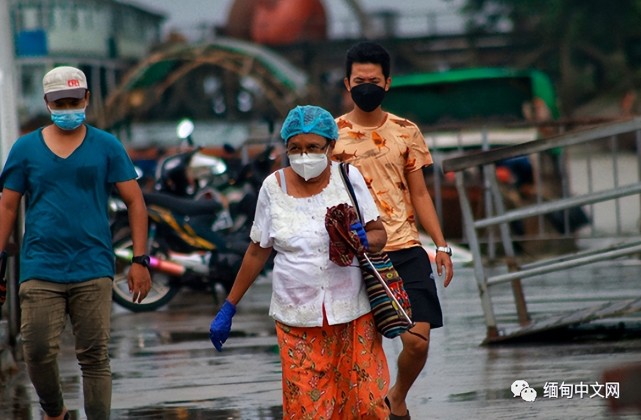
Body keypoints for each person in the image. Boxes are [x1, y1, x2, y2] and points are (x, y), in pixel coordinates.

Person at [209, 105, 390, 418]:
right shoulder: (272, 187)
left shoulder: (348, 178)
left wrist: (363, 239)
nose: (304, 155)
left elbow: (379, 235)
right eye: (295, 148)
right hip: (296, 318)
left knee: (365, 403)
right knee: (309, 409)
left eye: (313, 148)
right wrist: (230, 305)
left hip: (353, 313)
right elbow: (257, 250)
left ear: (331, 147)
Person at [0, 66, 151, 420]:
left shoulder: (107, 146)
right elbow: (7, 204)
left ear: (86, 98)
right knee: (35, 348)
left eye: (73, 100)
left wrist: (140, 261)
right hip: (40, 266)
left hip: (93, 265)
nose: (68, 108)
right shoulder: (25, 149)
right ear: (47, 103)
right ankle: (55, 412)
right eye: (59, 102)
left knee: (94, 355)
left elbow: (136, 202)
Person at [332, 41, 455, 420]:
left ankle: (396, 397)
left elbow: (419, 192)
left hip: (404, 247)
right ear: (347, 83)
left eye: (373, 79)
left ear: (387, 83)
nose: (365, 85)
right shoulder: (331, 135)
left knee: (417, 341)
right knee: (359, 351)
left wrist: (442, 245)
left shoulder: (406, 131)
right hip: (355, 255)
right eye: (358, 80)